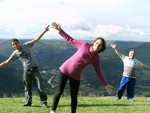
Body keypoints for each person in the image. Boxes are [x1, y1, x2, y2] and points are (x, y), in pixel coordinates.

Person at [50, 22, 113, 113]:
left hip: (76, 75)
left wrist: (105, 84)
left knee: (74, 96)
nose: (98, 45)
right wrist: (60, 30)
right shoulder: (84, 45)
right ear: (94, 42)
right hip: (65, 69)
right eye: (97, 43)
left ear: (101, 48)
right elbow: (70, 40)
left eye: (100, 45)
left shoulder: (96, 58)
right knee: (59, 91)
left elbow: (99, 72)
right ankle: (52, 111)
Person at [0, 25, 49, 108]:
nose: (15, 45)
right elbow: (6, 62)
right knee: (27, 87)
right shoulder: (15, 53)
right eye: (13, 45)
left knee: (40, 86)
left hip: (35, 69)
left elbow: (36, 40)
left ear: (18, 42)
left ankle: (43, 103)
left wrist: (44, 31)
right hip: (26, 71)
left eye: (16, 43)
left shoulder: (26, 45)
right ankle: (28, 102)